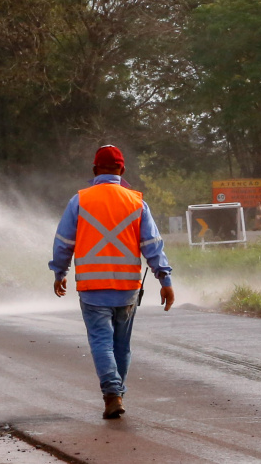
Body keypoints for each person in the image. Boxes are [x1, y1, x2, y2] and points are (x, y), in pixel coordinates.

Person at [49, 145, 174, 419]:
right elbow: (152, 245)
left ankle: (112, 394)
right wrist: (165, 278)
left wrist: (59, 272)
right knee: (121, 345)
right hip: (127, 289)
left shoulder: (80, 201)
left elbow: (64, 243)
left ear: (95, 170)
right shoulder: (137, 202)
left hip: (93, 289)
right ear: (122, 170)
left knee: (101, 342)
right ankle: (117, 393)